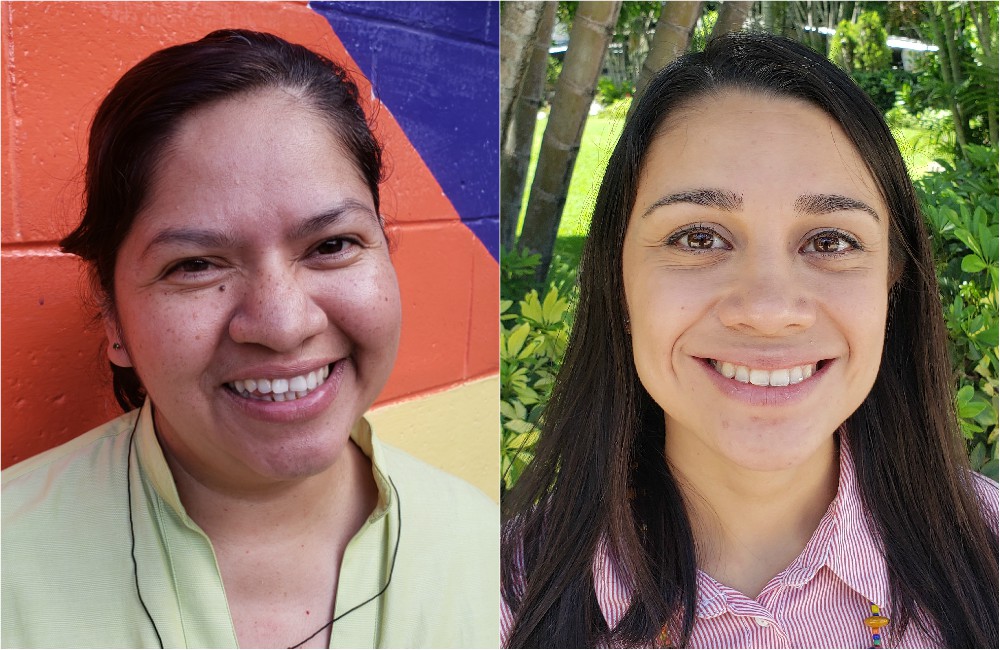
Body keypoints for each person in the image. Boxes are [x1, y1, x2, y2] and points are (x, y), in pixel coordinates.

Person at [2, 29, 497, 649]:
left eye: (332, 246)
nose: (285, 325)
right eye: (196, 265)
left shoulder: (483, 542)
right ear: (113, 319)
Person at [500, 32, 998, 649]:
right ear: (617, 275)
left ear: (891, 283)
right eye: (700, 238)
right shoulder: (490, 600)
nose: (767, 310)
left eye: (830, 242)